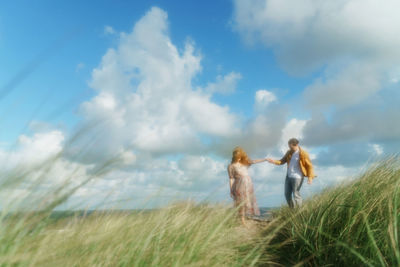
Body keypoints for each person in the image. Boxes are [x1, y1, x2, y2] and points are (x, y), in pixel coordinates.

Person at [266, 138, 316, 208]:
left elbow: (309, 166)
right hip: (288, 176)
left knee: (296, 194)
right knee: (287, 194)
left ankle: (299, 212)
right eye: (289, 146)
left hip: (298, 177)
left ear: (296, 145)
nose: (290, 148)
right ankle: (292, 210)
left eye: (291, 147)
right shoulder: (289, 152)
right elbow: (282, 161)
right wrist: (273, 161)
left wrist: (310, 178)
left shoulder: (303, 153)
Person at [227, 146, 267, 226]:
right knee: (241, 202)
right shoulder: (231, 166)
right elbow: (231, 178)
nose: (239, 158)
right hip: (239, 185)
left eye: (239, 157)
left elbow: (254, 161)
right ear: (235, 157)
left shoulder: (244, 163)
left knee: (248, 203)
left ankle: (243, 218)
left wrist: (265, 159)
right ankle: (242, 221)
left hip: (248, 184)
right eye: (237, 157)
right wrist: (231, 190)